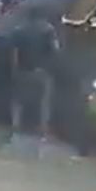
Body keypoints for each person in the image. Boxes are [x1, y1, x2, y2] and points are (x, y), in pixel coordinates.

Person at [9, 13, 59, 143]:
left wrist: (15, 70)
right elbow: (55, 51)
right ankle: (43, 131)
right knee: (44, 102)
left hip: (23, 70)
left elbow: (13, 53)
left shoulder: (18, 30)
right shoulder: (48, 29)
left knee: (18, 100)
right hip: (42, 72)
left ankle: (15, 127)